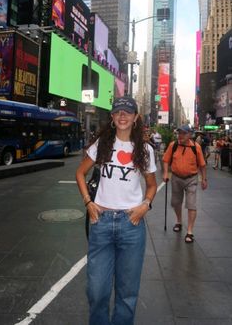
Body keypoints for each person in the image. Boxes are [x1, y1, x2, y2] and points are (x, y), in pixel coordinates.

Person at [76, 96, 158, 325]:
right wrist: (88, 202)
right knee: (96, 290)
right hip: (101, 223)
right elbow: (80, 174)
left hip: (131, 225)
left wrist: (145, 205)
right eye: (118, 112)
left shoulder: (145, 150)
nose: (122, 116)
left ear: (135, 117)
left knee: (127, 293)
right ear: (112, 117)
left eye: (127, 112)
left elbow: (151, 185)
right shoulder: (101, 144)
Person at [162, 125, 207, 244]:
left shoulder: (195, 147)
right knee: (176, 202)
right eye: (179, 133)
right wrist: (166, 173)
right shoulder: (173, 145)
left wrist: (204, 179)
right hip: (176, 178)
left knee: (191, 204)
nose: (180, 135)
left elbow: (202, 165)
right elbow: (166, 160)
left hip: (191, 179)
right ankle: (179, 221)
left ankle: (190, 231)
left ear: (189, 135)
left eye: (183, 133)